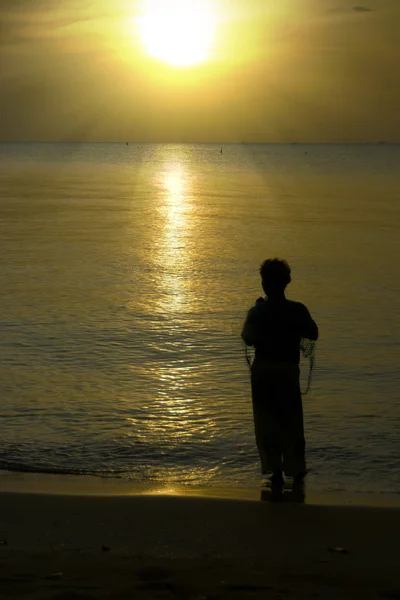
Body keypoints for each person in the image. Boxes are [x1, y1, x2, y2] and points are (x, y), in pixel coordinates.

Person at [241, 258, 318, 486]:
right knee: (291, 421)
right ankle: (294, 469)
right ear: (287, 282)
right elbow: (312, 333)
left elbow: (248, 338)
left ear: (265, 284)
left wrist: (258, 310)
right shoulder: (297, 309)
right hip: (286, 370)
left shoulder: (258, 311)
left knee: (266, 421)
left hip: (263, 370)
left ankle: (274, 470)